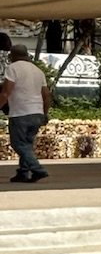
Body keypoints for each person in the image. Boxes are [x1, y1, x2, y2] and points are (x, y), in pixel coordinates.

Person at [2, 44, 51, 184]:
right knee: (27, 145)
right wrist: (44, 113)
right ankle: (23, 173)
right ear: (27, 55)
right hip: (37, 113)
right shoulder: (38, 71)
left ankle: (37, 169)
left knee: (18, 144)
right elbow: (46, 95)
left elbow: (6, 93)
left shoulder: (12, 68)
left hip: (20, 113)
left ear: (12, 56)